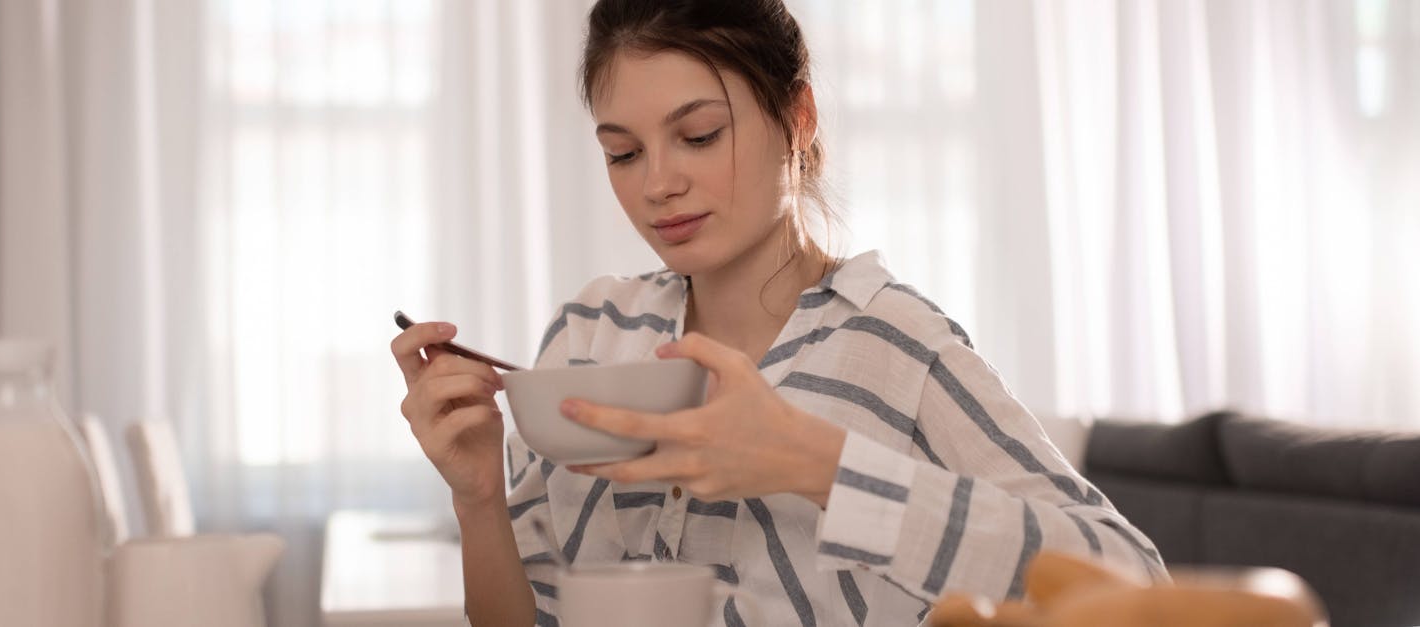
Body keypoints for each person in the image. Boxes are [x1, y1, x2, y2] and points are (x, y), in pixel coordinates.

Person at [389, 1, 1166, 625]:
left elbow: (1130, 578)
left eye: (698, 135)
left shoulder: (893, 344)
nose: (657, 184)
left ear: (798, 118)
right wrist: (478, 497)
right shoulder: (591, 331)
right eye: (623, 152)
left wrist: (816, 464)